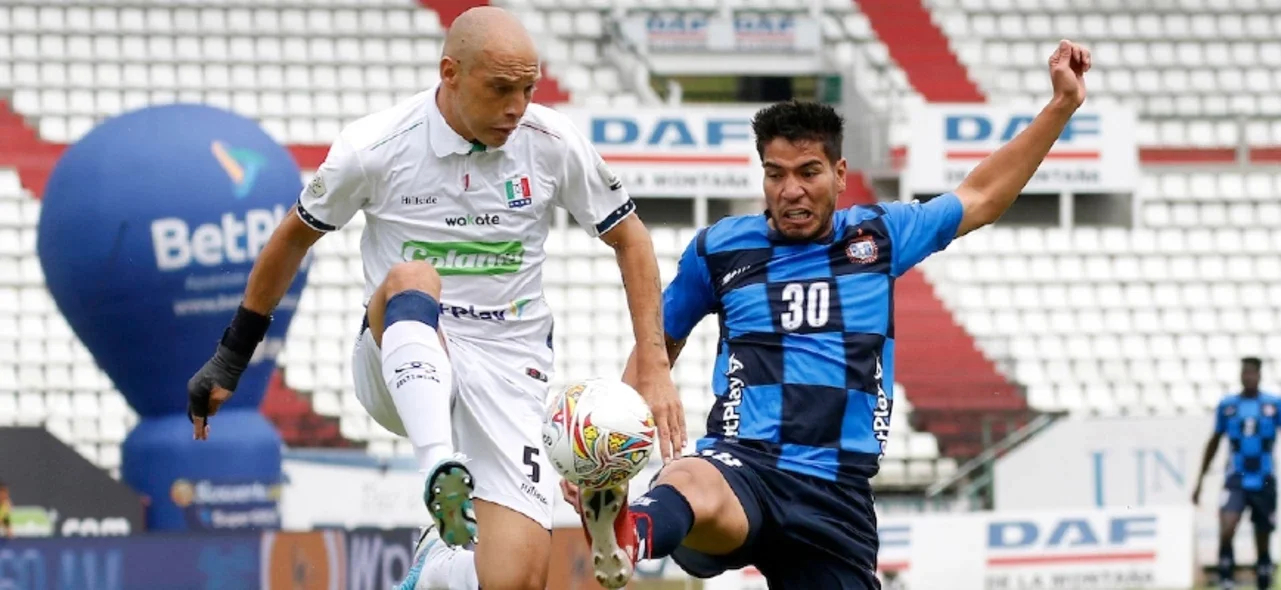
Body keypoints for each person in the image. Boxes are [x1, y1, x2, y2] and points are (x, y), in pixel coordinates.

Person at [562, 39, 1093, 589]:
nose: (790, 190)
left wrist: (1061, 106)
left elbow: (982, 194)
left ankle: (636, 528)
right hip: (745, 463)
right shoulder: (719, 250)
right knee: (694, 479)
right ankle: (628, 535)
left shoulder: (880, 236)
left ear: (840, 173)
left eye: (808, 172)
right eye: (775, 174)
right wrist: (603, 456)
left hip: (836, 493)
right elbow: (655, 348)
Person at [184, 6, 681, 590]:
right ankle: (438, 467)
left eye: (527, 89)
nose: (517, 108)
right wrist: (232, 354)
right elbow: (293, 236)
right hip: (402, 352)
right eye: (500, 89)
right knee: (413, 277)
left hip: (510, 373)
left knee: (514, 581)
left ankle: (438, 564)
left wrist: (654, 365)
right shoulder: (376, 145)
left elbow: (631, 238)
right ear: (450, 72)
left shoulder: (550, 140)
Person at [1193, 357, 1281, 590]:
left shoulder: (1273, 405)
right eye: (1245, 373)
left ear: (1260, 375)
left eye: (1253, 373)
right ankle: (1226, 580)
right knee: (1227, 527)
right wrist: (1200, 481)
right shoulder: (1228, 406)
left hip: (1264, 477)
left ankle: (1263, 577)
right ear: (1240, 375)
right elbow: (1214, 440)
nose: (1248, 377)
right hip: (1236, 477)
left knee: (1263, 535)